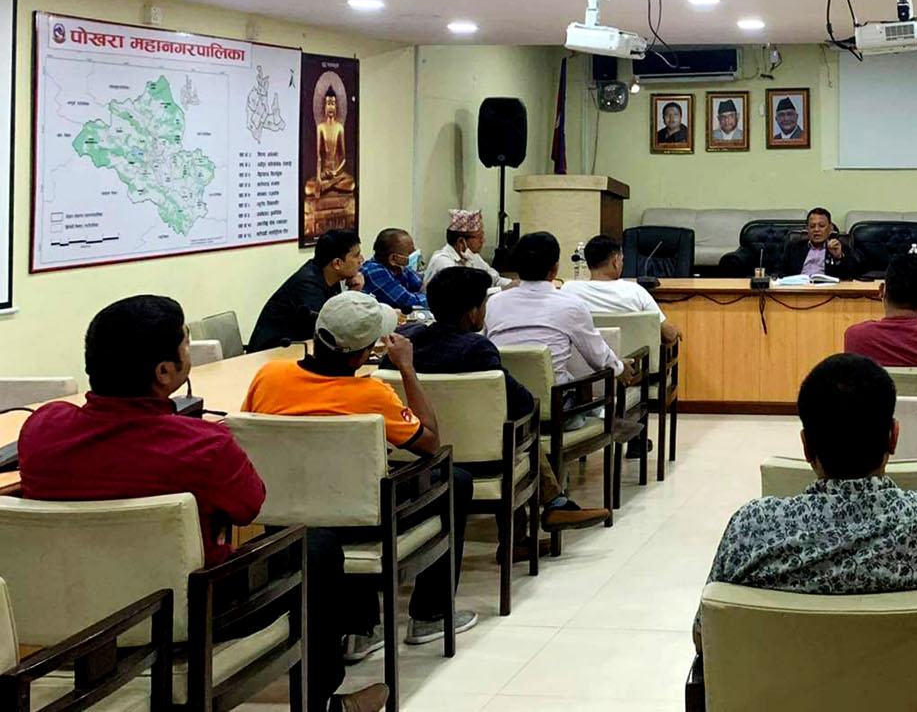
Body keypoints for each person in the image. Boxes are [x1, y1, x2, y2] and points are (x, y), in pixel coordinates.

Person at [19, 296, 385, 712]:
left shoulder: (41, 428)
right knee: (315, 545)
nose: (189, 350)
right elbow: (250, 508)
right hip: (192, 612)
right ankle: (322, 700)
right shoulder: (206, 446)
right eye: (186, 342)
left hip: (74, 609)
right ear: (164, 372)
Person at [701, 354, 917, 638]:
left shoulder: (751, 530)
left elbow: (706, 635)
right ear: (893, 436)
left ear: (806, 447)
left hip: (781, 680)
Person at [242, 291, 478, 651]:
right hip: (359, 519)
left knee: (343, 487)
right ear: (362, 354)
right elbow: (430, 442)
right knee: (454, 479)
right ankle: (430, 614)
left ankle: (360, 627)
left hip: (283, 518)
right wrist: (407, 368)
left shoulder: (268, 376)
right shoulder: (373, 395)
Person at [383, 268, 611, 560]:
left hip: (413, 456)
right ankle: (543, 514)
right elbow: (522, 403)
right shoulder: (476, 349)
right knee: (518, 426)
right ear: (472, 313)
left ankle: (548, 512)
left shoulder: (402, 348)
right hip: (483, 458)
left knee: (509, 428)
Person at [484, 232, 626, 386]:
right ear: (554, 269)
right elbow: (598, 358)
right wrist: (620, 369)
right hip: (556, 398)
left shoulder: (493, 303)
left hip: (503, 396)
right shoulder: (571, 305)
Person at [249, 228, 365, 352]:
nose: (361, 260)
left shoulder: (330, 276)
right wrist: (354, 294)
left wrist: (354, 291)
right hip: (273, 352)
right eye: (356, 256)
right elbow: (331, 330)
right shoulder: (307, 285)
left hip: (297, 350)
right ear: (337, 263)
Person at [562, 235, 682, 345]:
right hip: (631, 360)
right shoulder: (636, 292)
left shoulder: (569, 290)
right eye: (622, 260)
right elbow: (668, 335)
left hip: (583, 361)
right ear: (615, 261)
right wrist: (675, 331)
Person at [423, 209, 511, 289]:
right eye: (479, 237)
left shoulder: (471, 256)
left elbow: (495, 280)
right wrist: (501, 289)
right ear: (461, 242)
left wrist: (514, 284)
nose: (483, 241)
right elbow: (467, 295)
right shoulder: (444, 262)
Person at [360, 228, 428, 313]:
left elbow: (423, 287)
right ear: (393, 258)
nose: (415, 255)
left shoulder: (399, 267)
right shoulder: (374, 271)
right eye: (410, 253)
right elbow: (409, 302)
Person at [780, 208, 861, 279]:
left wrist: (838, 257)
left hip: (827, 290)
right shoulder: (794, 247)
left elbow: (849, 277)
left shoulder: (841, 248)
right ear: (807, 228)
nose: (816, 230)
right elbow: (781, 273)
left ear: (830, 228)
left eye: (821, 226)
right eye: (812, 226)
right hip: (799, 288)